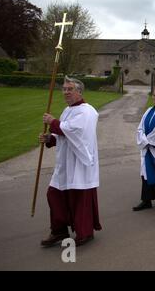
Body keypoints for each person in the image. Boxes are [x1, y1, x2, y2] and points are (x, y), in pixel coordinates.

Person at [39, 77, 101, 247]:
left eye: (69, 89)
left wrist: (53, 122)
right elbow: (65, 136)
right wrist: (50, 138)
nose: (65, 92)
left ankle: (85, 233)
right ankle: (59, 231)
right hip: (65, 163)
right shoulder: (67, 110)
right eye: (64, 89)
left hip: (80, 162)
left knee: (79, 198)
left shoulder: (87, 111)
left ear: (79, 92)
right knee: (54, 194)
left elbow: (76, 132)